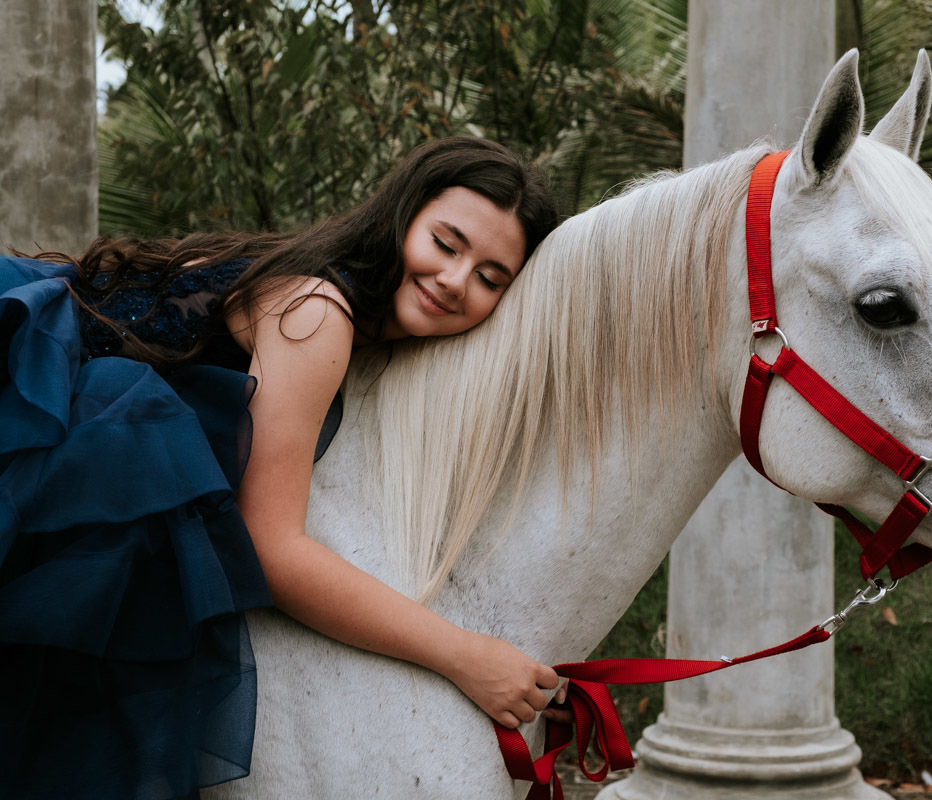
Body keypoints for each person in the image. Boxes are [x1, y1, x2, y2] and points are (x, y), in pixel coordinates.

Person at [0, 136, 567, 799]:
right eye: (446, 244)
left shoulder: (343, 297)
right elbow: (273, 550)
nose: (455, 280)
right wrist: (467, 657)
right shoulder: (318, 311)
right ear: (403, 213)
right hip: (39, 412)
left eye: (490, 278)